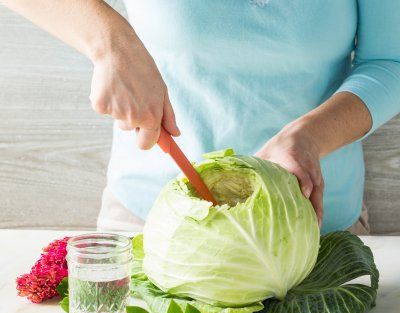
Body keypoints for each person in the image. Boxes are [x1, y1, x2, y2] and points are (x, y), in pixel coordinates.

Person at [4, 0, 400, 234]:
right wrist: (110, 43)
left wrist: (309, 137)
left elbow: (390, 62)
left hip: (314, 229)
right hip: (151, 224)